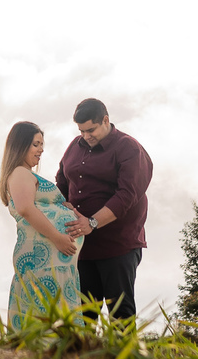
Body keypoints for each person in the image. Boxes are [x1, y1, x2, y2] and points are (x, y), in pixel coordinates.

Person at [57, 98, 153, 320]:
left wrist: (91, 223)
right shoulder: (74, 146)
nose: (85, 136)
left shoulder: (129, 148)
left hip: (117, 246)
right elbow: (62, 183)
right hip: (82, 247)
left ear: (106, 120)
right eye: (81, 131)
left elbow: (126, 195)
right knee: (83, 316)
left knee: (121, 314)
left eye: (91, 130)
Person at [0, 121, 83, 329]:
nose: (41, 150)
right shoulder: (20, 172)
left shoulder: (27, 174)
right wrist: (58, 238)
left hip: (54, 261)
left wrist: (66, 208)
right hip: (41, 257)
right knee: (43, 318)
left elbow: (36, 204)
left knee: (55, 316)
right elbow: (26, 208)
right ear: (21, 145)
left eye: (41, 145)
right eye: (36, 144)